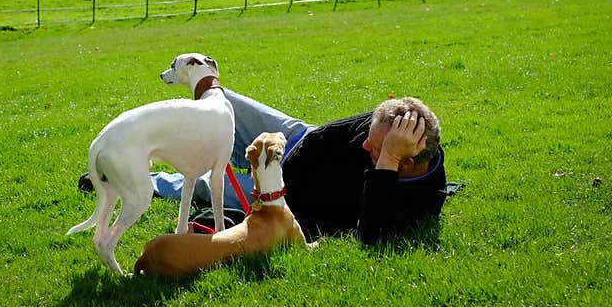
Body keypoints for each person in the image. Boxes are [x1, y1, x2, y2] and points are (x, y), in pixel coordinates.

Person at [114, 89, 450, 244]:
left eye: (376, 149)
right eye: (370, 137)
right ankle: (145, 132)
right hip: (298, 143)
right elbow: (322, 139)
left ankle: (151, 180)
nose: (365, 144)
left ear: (404, 162)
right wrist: (277, 159)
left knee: (208, 186)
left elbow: (373, 238)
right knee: (220, 101)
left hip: (285, 200)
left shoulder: (421, 202)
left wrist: (268, 184)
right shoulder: (387, 127)